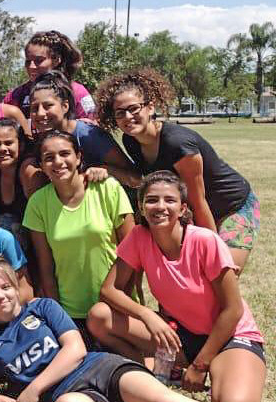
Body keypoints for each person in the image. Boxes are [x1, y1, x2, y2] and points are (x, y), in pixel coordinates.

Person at [0, 258, 276, 402]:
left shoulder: (43, 307)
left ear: (16, 286)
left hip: (98, 367)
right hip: (65, 396)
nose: (1, 295)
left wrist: (33, 388)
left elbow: (75, 349)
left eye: (6, 287)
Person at [88, 171, 265, 402]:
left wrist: (199, 365)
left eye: (169, 200)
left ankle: (214, 370)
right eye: (151, 200)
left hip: (228, 336)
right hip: (181, 335)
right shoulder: (139, 237)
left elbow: (233, 310)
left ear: (183, 209)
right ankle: (148, 373)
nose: (160, 207)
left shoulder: (205, 241)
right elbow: (108, 290)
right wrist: (148, 315)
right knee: (99, 317)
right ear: (141, 207)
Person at [95, 67, 259, 273]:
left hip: (232, 206)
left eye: (134, 109)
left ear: (150, 108)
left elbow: (199, 202)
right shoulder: (131, 140)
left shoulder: (177, 144)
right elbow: (140, 180)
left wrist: (211, 253)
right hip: (193, 209)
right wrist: (107, 169)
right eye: (120, 113)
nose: (128, 117)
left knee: (223, 274)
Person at [23, 131, 134, 326]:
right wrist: (58, 320)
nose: (58, 162)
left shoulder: (107, 188)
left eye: (65, 154)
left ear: (78, 157)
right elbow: (46, 268)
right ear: (41, 166)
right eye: (49, 158)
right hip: (71, 313)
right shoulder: (37, 203)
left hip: (115, 307)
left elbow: (132, 252)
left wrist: (123, 299)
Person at [27, 71, 139, 187]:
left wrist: (104, 170)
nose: (40, 113)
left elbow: (135, 178)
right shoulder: (42, 139)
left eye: (48, 106)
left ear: (65, 106)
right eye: (34, 108)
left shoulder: (89, 136)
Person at [5, 30, 96, 120]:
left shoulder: (78, 92)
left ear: (56, 60)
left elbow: (91, 126)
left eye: (39, 60)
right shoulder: (14, 96)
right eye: (28, 61)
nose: (31, 66)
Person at [0, 117, 42, 233]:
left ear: (21, 146)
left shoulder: (29, 172)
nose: (2, 149)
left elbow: (41, 220)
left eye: (8, 143)